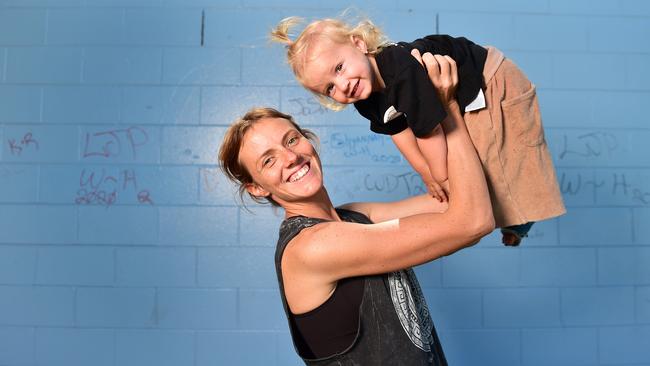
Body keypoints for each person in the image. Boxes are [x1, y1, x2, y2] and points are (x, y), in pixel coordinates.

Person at [219, 54, 494, 365]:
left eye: (291, 140)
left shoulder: (354, 216)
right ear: (257, 187)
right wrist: (445, 110)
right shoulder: (311, 247)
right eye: (268, 160)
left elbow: (459, 201)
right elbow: (473, 221)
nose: (290, 158)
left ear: (308, 140)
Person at [270, 15, 566, 246]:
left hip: (490, 78)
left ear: (359, 45)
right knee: (468, 168)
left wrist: (442, 178)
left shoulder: (400, 70)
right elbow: (400, 132)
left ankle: (520, 220)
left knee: (495, 158)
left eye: (339, 68)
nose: (343, 84)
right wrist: (427, 174)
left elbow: (429, 133)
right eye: (330, 88)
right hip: (460, 100)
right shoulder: (365, 98)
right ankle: (512, 218)